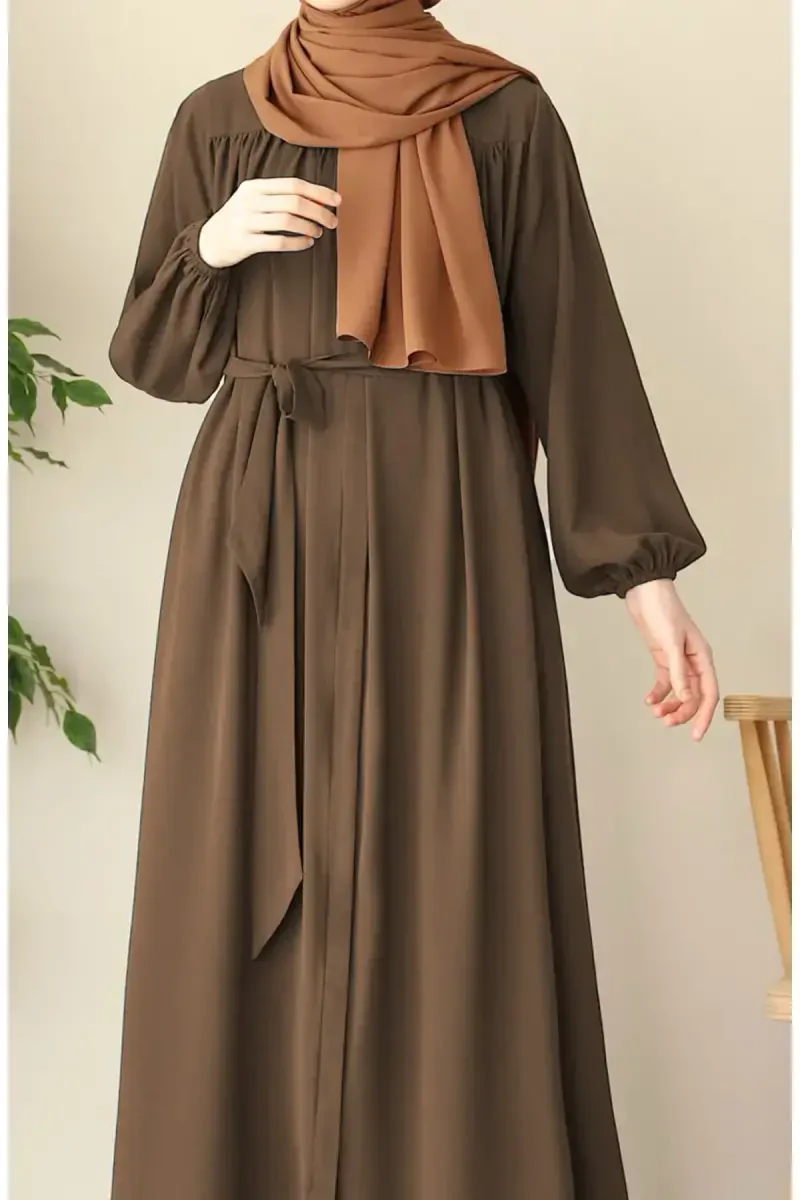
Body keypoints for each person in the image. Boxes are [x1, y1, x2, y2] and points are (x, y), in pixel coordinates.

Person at [107, 2, 718, 1198]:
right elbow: (155, 358)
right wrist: (209, 248)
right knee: (235, 853)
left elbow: (575, 344)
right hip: (257, 527)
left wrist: (645, 581)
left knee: (452, 859)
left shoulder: (503, 117)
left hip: (447, 516)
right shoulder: (219, 119)